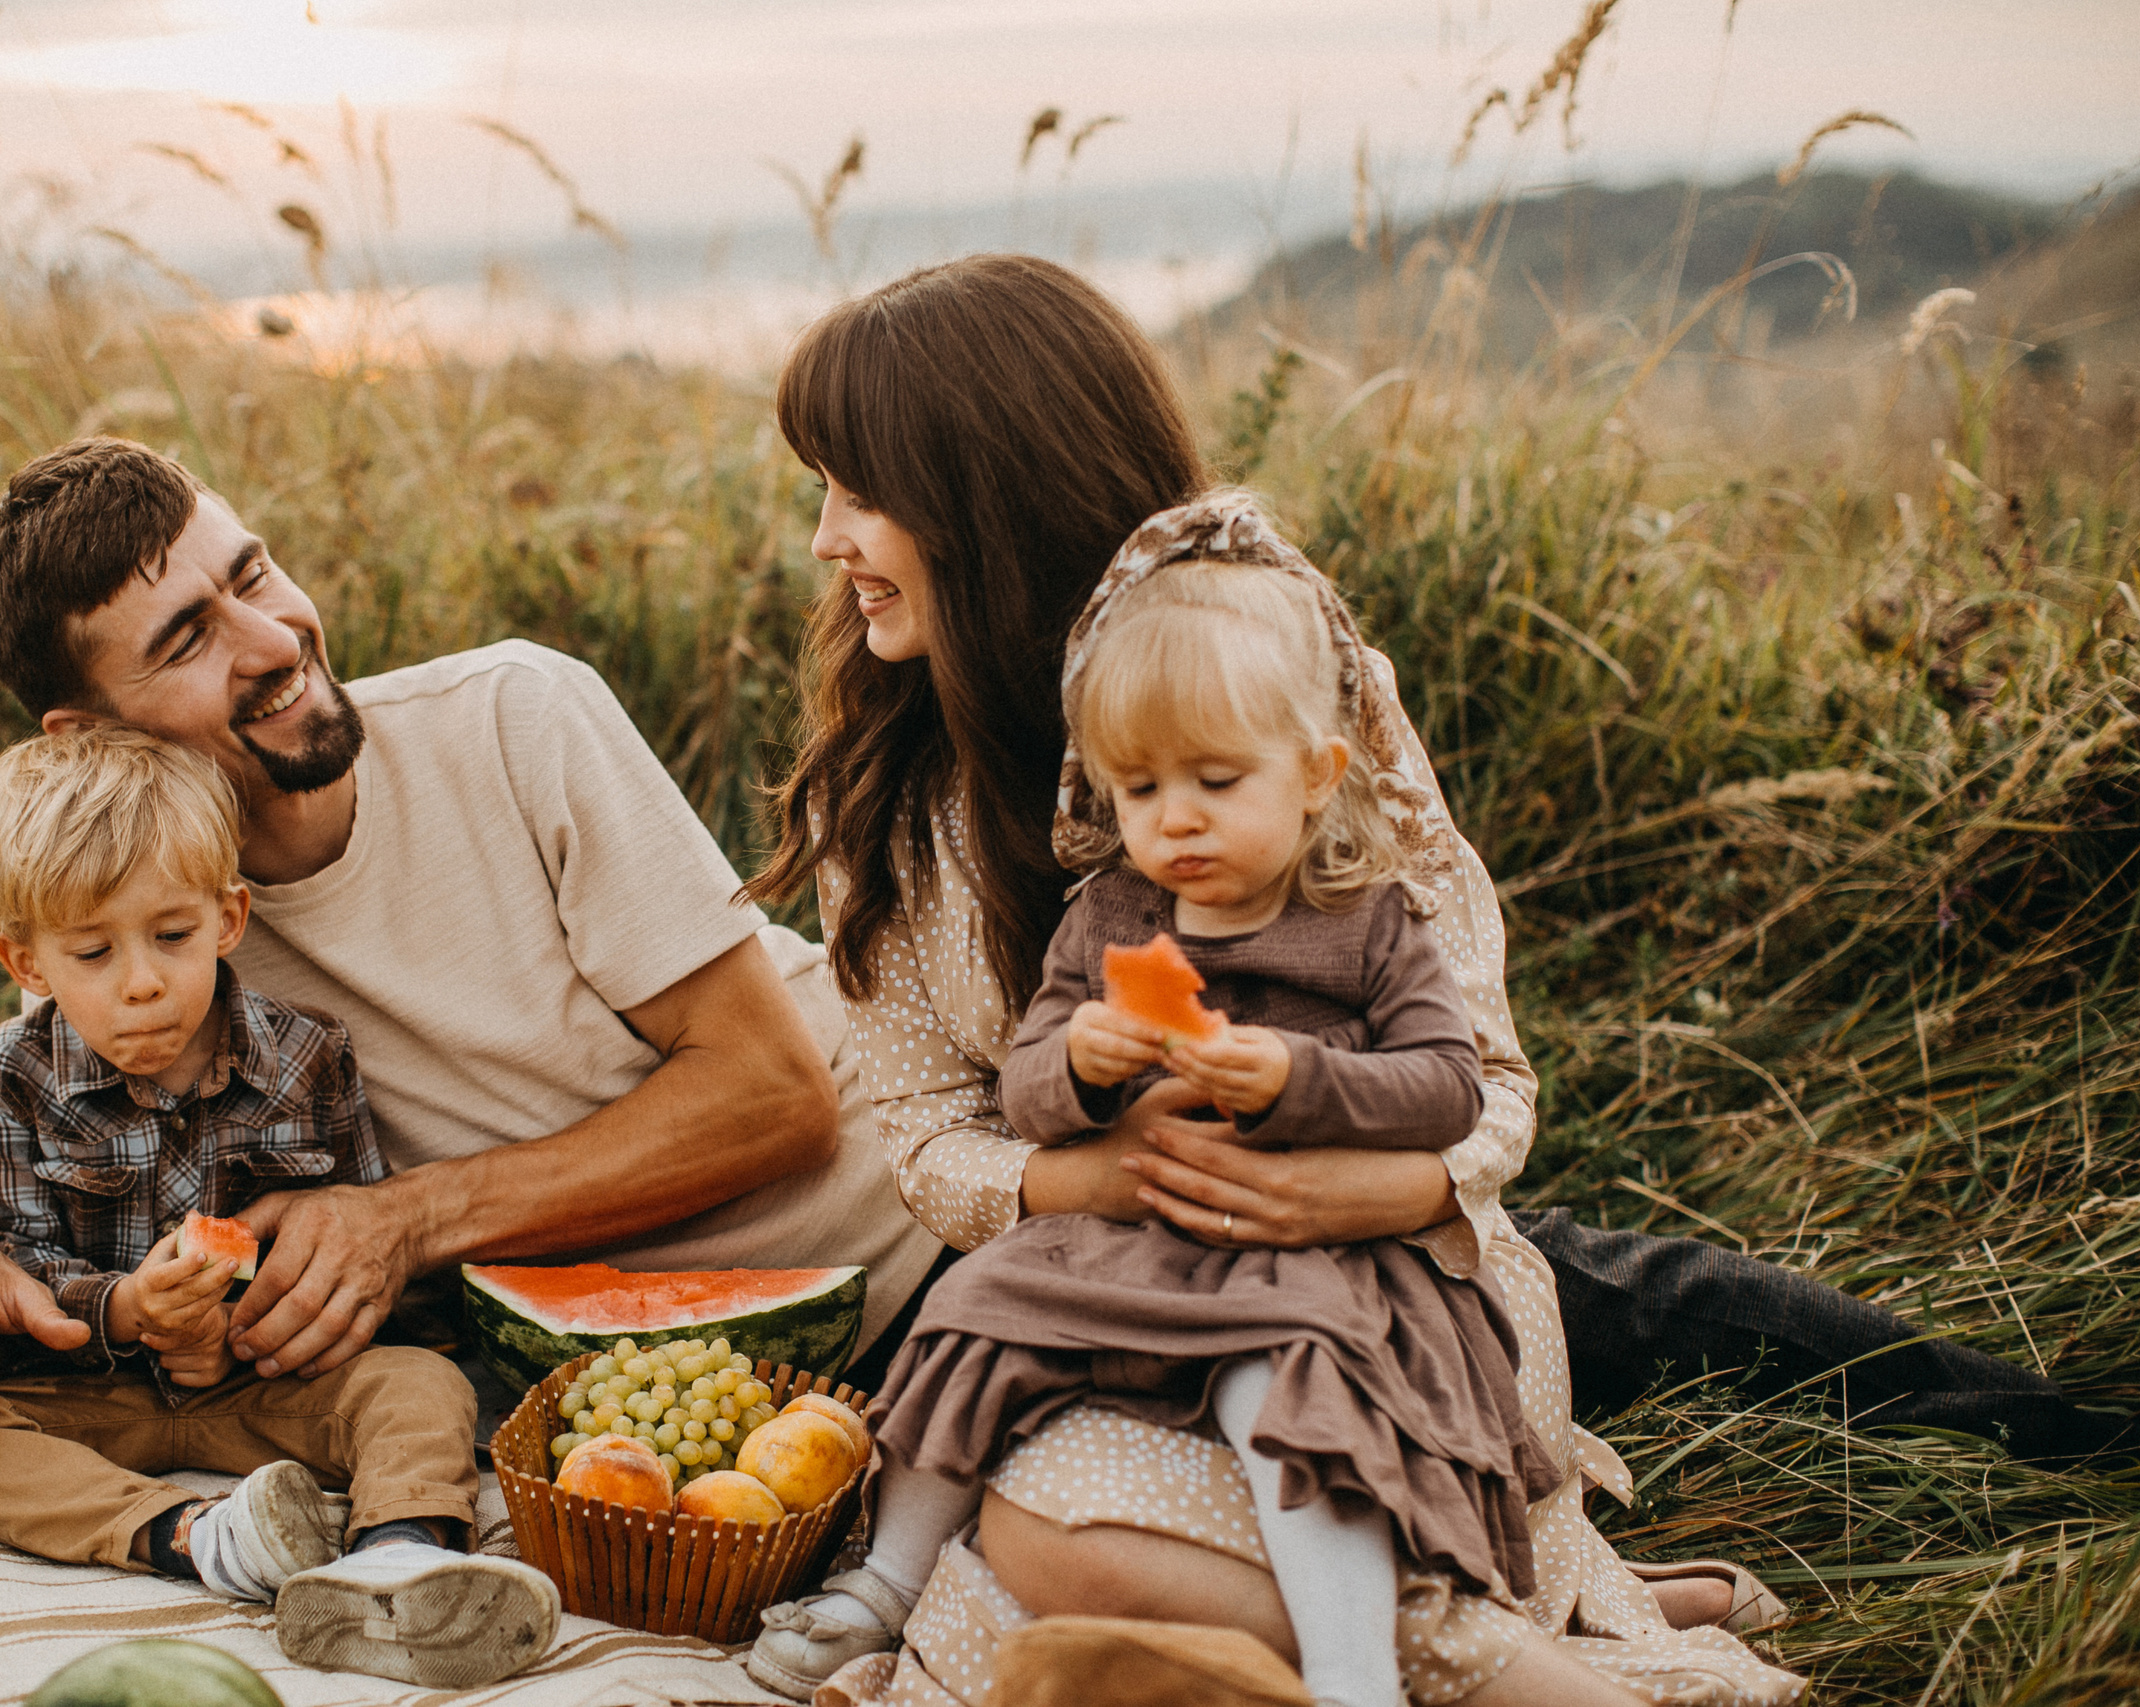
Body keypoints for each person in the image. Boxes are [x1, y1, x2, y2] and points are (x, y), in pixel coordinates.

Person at [745, 253, 1805, 1706]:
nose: (826, 540)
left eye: (859, 493)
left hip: (1380, 1296)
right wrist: (1098, 1175)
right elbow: (932, 1138)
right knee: (1040, 1545)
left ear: (985, 493)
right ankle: (1513, 1640)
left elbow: (1486, 1077)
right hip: (1104, 1302)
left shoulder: (1298, 690)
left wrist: (1361, 1186)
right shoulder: (885, 800)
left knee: (1044, 1565)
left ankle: (1492, 1635)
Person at [0, 437, 942, 1474]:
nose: (277, 640)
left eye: (255, 574)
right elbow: (59, 1153)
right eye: (188, 639)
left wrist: (403, 1220)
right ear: (86, 735)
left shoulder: (515, 718)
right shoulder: (143, 941)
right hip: (628, 1400)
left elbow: (774, 1096)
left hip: (918, 1253)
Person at [752, 559, 1563, 1707]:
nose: (1174, 820)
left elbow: (1447, 1090)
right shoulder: (1108, 917)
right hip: (1127, 1237)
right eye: (1138, 791)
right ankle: (884, 1579)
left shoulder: (1367, 924)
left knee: (1291, 1391)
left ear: (1316, 775)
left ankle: (1352, 1671)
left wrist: (1301, 1078)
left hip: (1305, 1260)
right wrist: (1081, 1067)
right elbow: (1027, 1091)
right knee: (971, 1313)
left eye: (1216, 782)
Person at [0, 724, 561, 1691]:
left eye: (172, 936)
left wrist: (246, 1327)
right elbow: (0, 1258)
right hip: (100, 1392)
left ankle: (402, 1554)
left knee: (422, 1386)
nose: (142, 980)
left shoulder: (309, 1056)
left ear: (227, 916)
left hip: (267, 1387)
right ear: (29, 962)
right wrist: (126, 1311)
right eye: (92, 951)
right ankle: (205, 1539)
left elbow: (359, 1252)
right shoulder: (7, 1076)